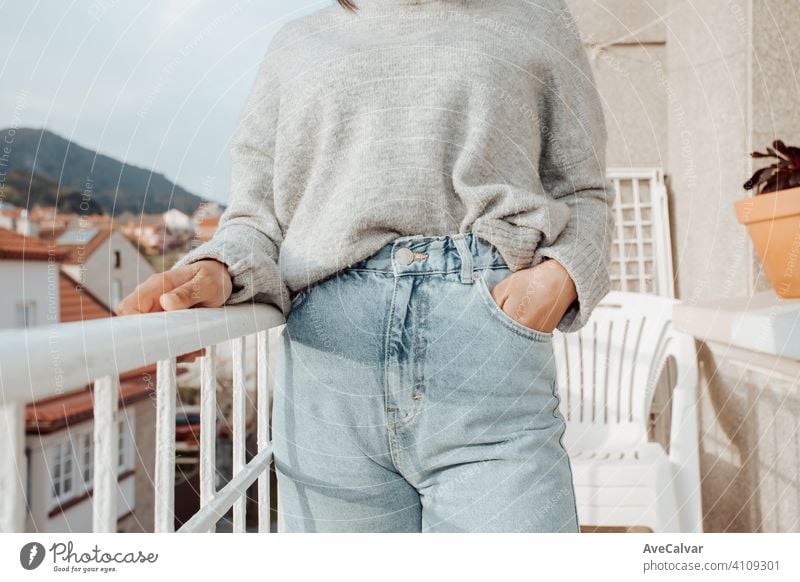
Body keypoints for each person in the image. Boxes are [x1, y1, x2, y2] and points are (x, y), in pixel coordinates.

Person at [116, 0, 615, 532]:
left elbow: (583, 189)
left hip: (487, 352)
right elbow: (256, 216)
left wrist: (559, 275)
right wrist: (220, 267)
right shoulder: (297, 44)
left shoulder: (536, 17)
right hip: (328, 374)